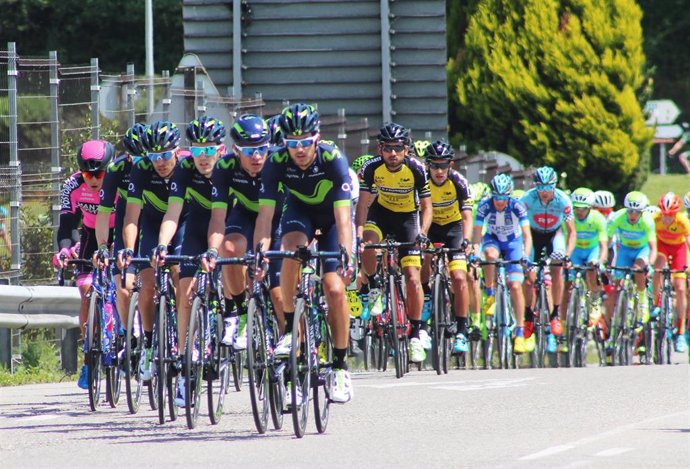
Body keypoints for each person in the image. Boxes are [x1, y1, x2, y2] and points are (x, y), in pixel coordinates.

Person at [254, 103, 354, 403]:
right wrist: (260, 252)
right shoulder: (276, 162)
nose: (299, 150)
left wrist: (348, 254)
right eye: (292, 143)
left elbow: (343, 218)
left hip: (331, 218)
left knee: (334, 288)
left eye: (305, 143)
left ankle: (339, 365)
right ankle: (288, 330)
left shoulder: (333, 159)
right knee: (289, 251)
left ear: (317, 138)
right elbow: (264, 217)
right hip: (299, 213)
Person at [204, 114, 285, 351]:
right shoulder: (225, 167)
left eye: (262, 149)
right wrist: (212, 250)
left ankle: (293, 348)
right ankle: (240, 313)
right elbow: (218, 218)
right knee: (227, 248)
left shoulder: (278, 164)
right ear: (235, 150)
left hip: (280, 217)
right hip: (246, 214)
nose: (257, 156)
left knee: (280, 295)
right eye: (249, 151)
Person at [357, 123, 432, 364]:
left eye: (397, 148)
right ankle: (375, 285)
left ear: (405, 149)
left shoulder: (417, 169)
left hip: (408, 219)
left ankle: (417, 330)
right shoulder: (371, 168)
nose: (392, 154)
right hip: (381, 214)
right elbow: (363, 205)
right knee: (368, 244)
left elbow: (427, 207)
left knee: (412, 276)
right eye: (388, 148)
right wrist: (359, 233)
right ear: (380, 149)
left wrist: (422, 232)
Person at [120, 121, 183, 382]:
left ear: (177, 152)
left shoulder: (187, 167)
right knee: (146, 285)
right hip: (151, 223)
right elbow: (132, 216)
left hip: (184, 223)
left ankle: (184, 339)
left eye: (166, 155)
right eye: (155, 156)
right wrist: (128, 250)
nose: (161, 162)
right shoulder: (141, 170)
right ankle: (147, 344)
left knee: (181, 274)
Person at [52, 139, 115, 389]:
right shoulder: (73, 185)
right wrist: (65, 249)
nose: (93, 178)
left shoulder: (119, 181)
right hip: (90, 234)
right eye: (88, 173)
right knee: (87, 290)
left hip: (118, 233)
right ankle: (90, 356)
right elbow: (67, 224)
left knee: (121, 284)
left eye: (99, 172)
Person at [94, 123, 149, 332]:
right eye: (136, 159)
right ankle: (129, 335)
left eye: (145, 158)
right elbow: (104, 213)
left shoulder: (158, 167)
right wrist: (101, 246)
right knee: (124, 288)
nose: (141, 164)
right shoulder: (116, 169)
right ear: (127, 156)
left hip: (152, 218)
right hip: (126, 219)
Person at [420, 141, 473, 354]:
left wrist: (467, 240)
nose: (439, 171)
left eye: (443, 165)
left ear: (450, 164)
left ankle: (461, 330)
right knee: (421, 258)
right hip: (430, 227)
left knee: (459, 277)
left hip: (453, 228)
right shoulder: (421, 181)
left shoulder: (459, 182)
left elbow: (467, 217)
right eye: (434, 166)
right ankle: (425, 298)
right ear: (428, 165)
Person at [472, 174, 532, 353]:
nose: (499, 201)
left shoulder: (517, 206)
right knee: (489, 255)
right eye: (496, 197)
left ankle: (520, 333)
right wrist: (475, 254)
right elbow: (476, 233)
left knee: (515, 286)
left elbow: (527, 235)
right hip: (493, 239)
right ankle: (490, 294)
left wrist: (526, 255)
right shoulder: (484, 206)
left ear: (509, 195)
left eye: (503, 197)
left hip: (514, 242)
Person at [520, 166, 576, 354]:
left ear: (554, 186)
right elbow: (517, 225)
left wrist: (567, 254)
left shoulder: (563, 200)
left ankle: (555, 314)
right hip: (533, 236)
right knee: (529, 277)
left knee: (557, 267)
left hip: (554, 235)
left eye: (548, 187)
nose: (544, 192)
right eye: (540, 188)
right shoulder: (527, 199)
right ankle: (528, 315)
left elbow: (571, 233)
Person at [606, 191, 657, 354]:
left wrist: (649, 263)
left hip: (642, 250)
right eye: (630, 211)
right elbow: (606, 240)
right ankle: (615, 324)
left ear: (642, 212)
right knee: (617, 280)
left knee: (638, 270)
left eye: (637, 212)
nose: (633, 215)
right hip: (625, 250)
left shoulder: (647, 221)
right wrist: (606, 262)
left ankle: (642, 301)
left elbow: (653, 248)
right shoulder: (617, 218)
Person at [563, 188, 608, 350]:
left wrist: (600, 261)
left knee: (592, 268)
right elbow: (564, 238)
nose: (580, 212)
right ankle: (564, 321)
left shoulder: (598, 219)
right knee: (567, 284)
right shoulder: (569, 218)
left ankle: (595, 301)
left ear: (590, 208)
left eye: (583, 208)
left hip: (591, 251)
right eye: (577, 208)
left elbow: (603, 245)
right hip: (575, 251)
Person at [651, 192, 690, 352]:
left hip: (679, 249)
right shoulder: (655, 219)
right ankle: (656, 303)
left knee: (680, 287)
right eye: (664, 214)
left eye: (670, 215)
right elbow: (649, 240)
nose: (667, 218)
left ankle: (680, 332)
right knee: (657, 269)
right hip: (662, 247)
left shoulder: (682, 221)